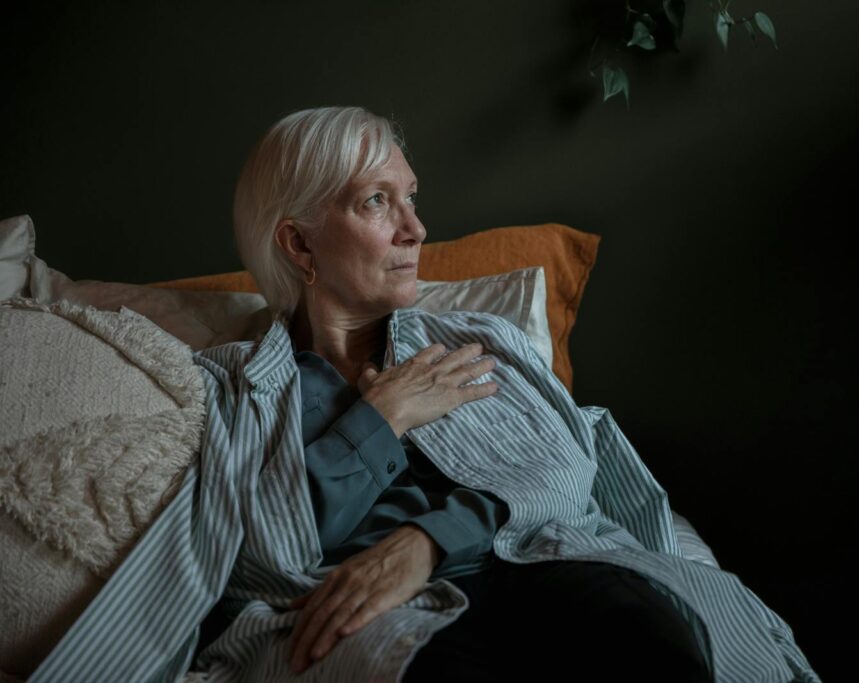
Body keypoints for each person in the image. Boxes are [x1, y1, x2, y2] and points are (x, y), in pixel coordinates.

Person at [31, 106, 819, 683]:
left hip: (540, 568)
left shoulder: (476, 341)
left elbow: (563, 470)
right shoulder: (238, 387)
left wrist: (428, 540)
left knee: (645, 633)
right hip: (385, 622)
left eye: (409, 197)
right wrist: (379, 421)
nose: (415, 227)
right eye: (377, 201)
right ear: (299, 243)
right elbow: (263, 551)